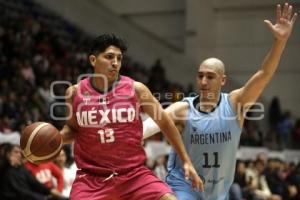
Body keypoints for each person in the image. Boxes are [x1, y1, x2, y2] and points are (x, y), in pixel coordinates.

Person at [143, 3, 297, 200]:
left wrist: (280, 42)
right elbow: (149, 125)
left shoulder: (235, 104)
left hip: (218, 192)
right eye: (200, 76)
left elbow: (264, 73)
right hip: (183, 185)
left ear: (223, 80)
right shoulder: (182, 109)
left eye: (210, 76)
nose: (203, 81)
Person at [59, 33, 203, 200]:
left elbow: (165, 123)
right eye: (109, 57)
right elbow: (72, 130)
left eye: (119, 59)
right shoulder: (74, 93)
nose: (115, 63)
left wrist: (186, 160)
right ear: (93, 60)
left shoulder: (137, 90)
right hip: (91, 179)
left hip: (133, 175)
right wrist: (54, 139)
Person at [0, 143, 66, 200]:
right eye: (16, 152)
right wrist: (43, 198)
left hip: (39, 195)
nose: (19, 155)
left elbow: (36, 184)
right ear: (8, 154)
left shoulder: (22, 169)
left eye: (20, 152)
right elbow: (22, 192)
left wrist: (55, 193)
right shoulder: (7, 172)